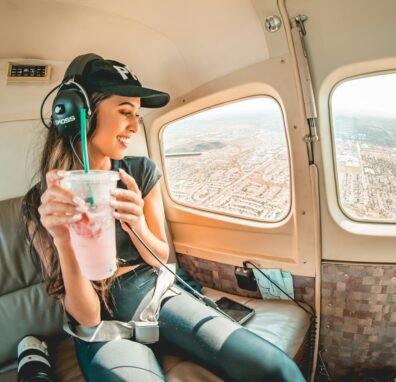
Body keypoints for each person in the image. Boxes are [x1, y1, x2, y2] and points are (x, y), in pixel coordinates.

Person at [22, 54, 306, 382]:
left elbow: (161, 257)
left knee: (277, 369)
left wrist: (136, 224)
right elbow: (87, 315)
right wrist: (62, 240)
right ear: (77, 116)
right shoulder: (42, 205)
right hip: (101, 320)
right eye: (125, 112)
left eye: (137, 115)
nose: (134, 126)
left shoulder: (141, 171)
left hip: (153, 292)